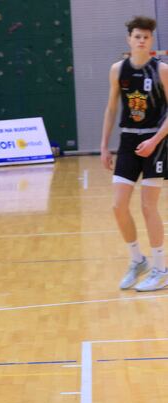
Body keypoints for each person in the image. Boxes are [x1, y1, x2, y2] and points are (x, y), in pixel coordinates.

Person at [101, 16, 168, 291]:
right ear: (129, 39)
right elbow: (111, 109)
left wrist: (155, 140)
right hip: (128, 141)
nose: (141, 40)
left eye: (146, 37)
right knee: (118, 206)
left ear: (151, 41)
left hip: (157, 141)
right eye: (137, 36)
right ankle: (137, 260)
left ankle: (161, 269)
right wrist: (104, 145)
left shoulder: (161, 70)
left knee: (148, 206)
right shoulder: (118, 70)